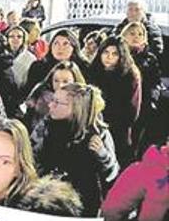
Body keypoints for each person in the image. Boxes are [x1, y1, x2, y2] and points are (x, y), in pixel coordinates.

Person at [30, 83, 119, 216]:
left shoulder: (98, 133)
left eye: (57, 102)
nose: (50, 105)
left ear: (76, 109)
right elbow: (31, 158)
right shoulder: (45, 126)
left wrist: (103, 155)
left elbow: (112, 174)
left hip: (85, 205)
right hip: (48, 200)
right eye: (52, 100)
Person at [88, 36, 142, 166]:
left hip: (118, 132)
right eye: (106, 52)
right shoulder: (93, 71)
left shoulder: (130, 76)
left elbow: (132, 112)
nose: (109, 57)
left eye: (114, 54)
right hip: (93, 127)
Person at [120, 21, 166, 155]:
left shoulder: (150, 59)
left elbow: (156, 83)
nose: (136, 37)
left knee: (134, 146)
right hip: (120, 107)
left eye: (140, 34)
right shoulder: (118, 55)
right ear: (124, 35)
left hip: (142, 108)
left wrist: (152, 100)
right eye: (132, 33)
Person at [23, 29, 88, 97]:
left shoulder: (83, 67)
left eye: (65, 44)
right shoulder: (38, 67)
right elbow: (29, 93)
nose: (60, 48)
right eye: (56, 43)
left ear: (74, 47)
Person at [22, 60, 88, 128]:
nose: (60, 85)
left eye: (65, 81)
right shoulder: (40, 95)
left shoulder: (84, 100)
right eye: (56, 81)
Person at [6, 24, 37, 89]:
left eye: (19, 36)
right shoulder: (0, 56)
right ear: (7, 39)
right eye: (12, 36)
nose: (15, 39)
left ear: (23, 39)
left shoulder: (31, 58)